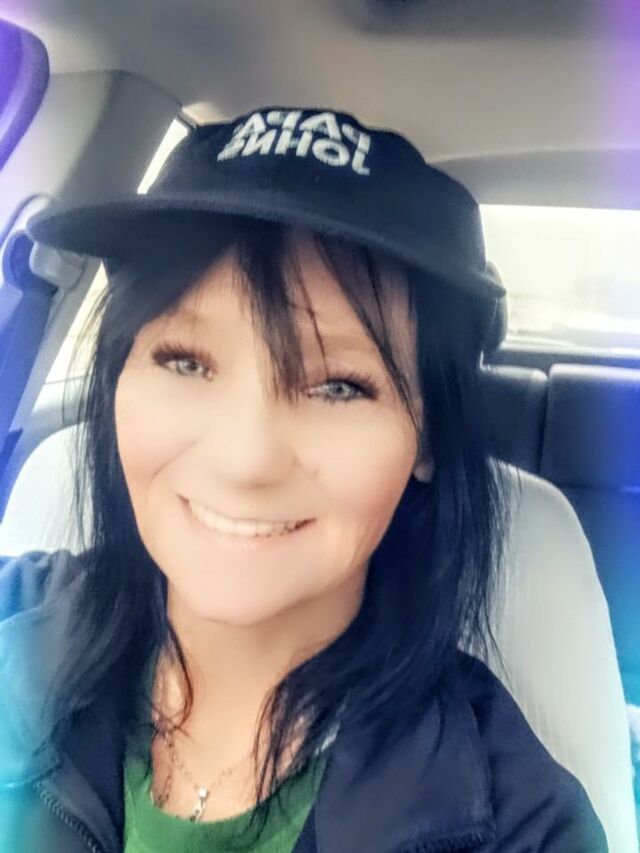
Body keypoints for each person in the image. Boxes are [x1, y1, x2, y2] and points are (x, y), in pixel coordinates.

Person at [0, 106, 607, 852]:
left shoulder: (517, 825)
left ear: (428, 435)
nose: (245, 459)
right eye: (185, 361)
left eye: (339, 386)